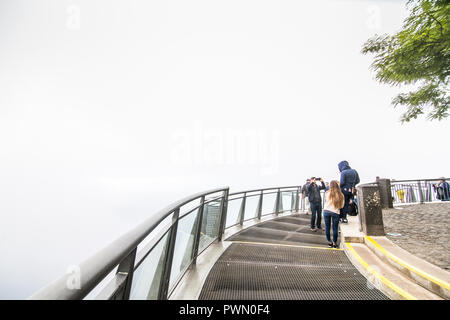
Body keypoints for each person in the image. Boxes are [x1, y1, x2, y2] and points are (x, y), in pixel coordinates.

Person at [323, 180, 345, 248]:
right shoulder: (341, 194)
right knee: (335, 228)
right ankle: (335, 243)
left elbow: (325, 202)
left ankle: (329, 242)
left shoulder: (327, 193)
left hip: (326, 211)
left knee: (327, 227)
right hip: (335, 212)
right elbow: (342, 206)